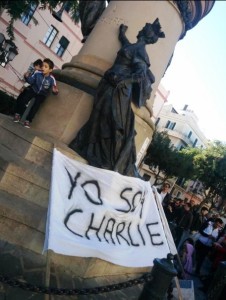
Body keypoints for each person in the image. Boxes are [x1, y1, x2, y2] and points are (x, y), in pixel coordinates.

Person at [69, 20, 165, 177]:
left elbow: (140, 75)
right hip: (108, 82)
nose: (141, 28)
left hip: (118, 88)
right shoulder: (132, 46)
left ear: (146, 35)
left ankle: (107, 157)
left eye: (144, 28)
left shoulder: (141, 52)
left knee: (112, 120)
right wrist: (121, 33)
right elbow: (125, 45)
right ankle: (89, 147)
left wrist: (121, 81)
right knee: (99, 114)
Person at [13, 58, 58, 128]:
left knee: (35, 107)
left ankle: (28, 121)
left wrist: (55, 91)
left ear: (50, 70)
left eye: (46, 67)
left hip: (42, 94)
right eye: (43, 66)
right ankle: (17, 114)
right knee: (24, 100)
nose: (43, 68)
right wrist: (26, 77)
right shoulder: (37, 73)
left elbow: (54, 88)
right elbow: (30, 81)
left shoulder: (52, 79)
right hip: (34, 89)